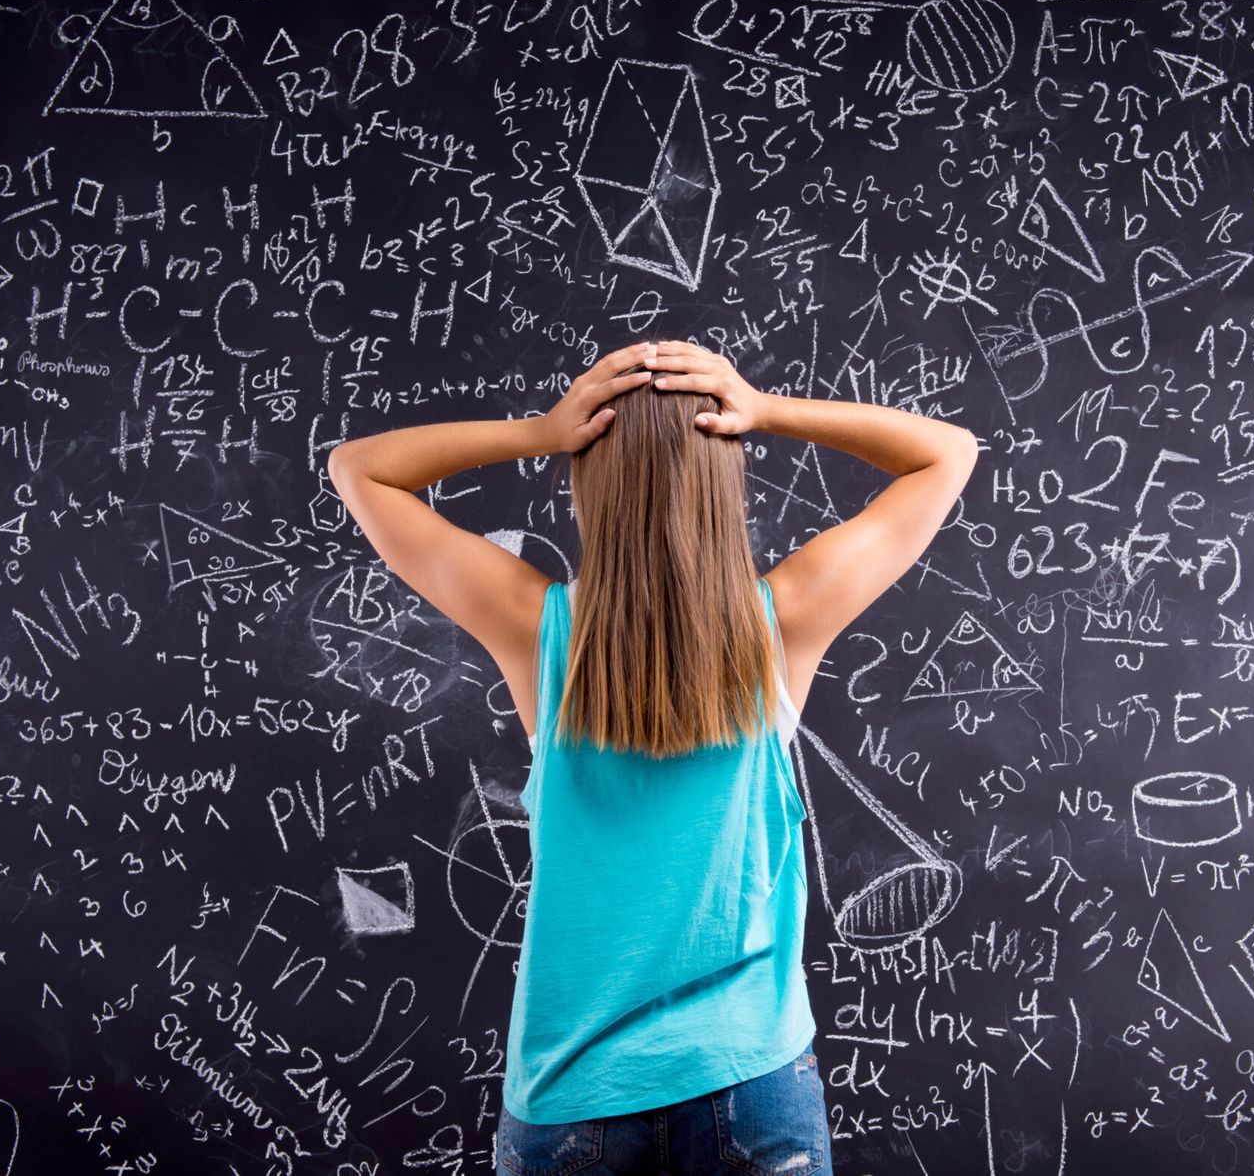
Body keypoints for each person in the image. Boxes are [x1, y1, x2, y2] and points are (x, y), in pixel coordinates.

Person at [327, 339, 980, 1176]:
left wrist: (540, 430)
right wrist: (766, 407)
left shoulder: (535, 628)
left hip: (573, 1088)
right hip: (752, 1076)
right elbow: (947, 452)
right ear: (727, 477)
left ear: (585, 478)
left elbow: (359, 469)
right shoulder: (783, 621)